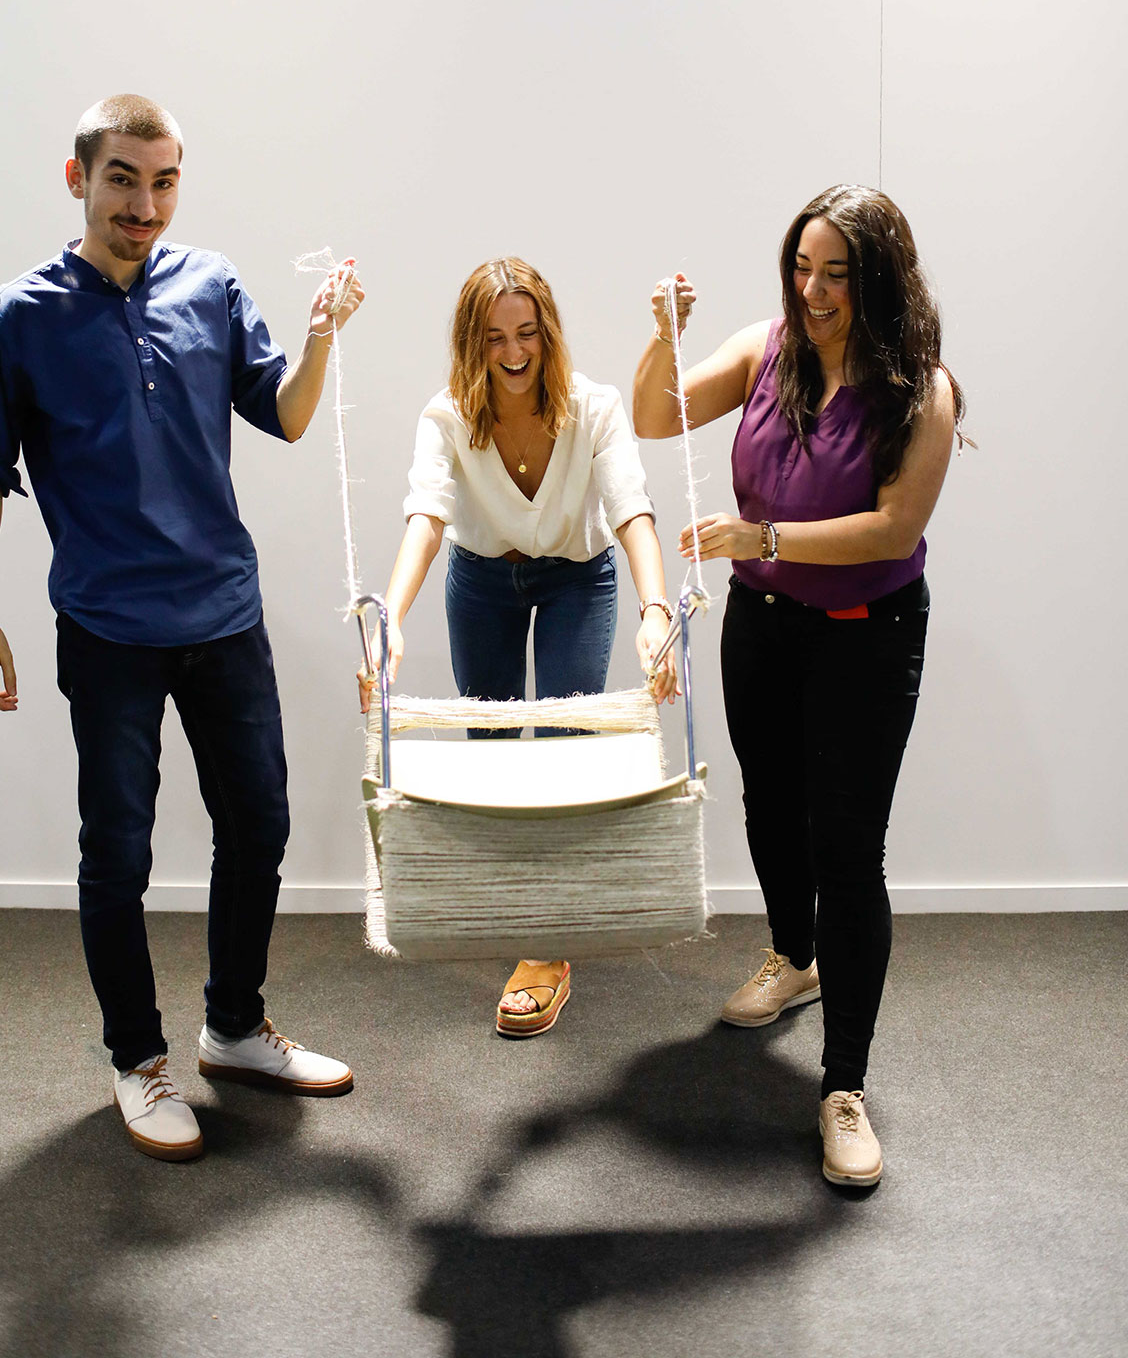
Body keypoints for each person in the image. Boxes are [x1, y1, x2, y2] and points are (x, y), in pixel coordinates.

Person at [0, 94, 365, 1163]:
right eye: (124, 180)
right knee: (118, 854)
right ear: (78, 178)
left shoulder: (211, 284)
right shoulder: (21, 315)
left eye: (164, 181)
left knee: (259, 827)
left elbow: (285, 413)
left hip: (224, 613)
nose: (145, 205)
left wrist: (320, 337)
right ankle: (137, 1060)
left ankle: (234, 1028)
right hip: (108, 629)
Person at [633, 185, 961, 1187]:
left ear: (878, 280)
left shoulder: (922, 390)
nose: (812, 291)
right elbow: (652, 414)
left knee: (847, 851)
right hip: (763, 622)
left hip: (865, 635)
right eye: (801, 268)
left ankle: (843, 1087)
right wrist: (663, 335)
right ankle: (793, 955)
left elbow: (893, 530)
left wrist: (761, 536)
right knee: (770, 807)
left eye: (835, 274)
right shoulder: (764, 348)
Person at [360, 256, 679, 1037]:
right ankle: (519, 911)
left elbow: (631, 509)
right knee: (495, 752)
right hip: (480, 581)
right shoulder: (446, 416)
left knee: (566, 750)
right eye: (495, 337)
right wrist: (390, 616)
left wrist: (655, 609)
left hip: (578, 579)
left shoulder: (594, 407)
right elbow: (426, 517)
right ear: (472, 342)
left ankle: (544, 953)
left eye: (527, 333)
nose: (513, 352)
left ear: (548, 333)